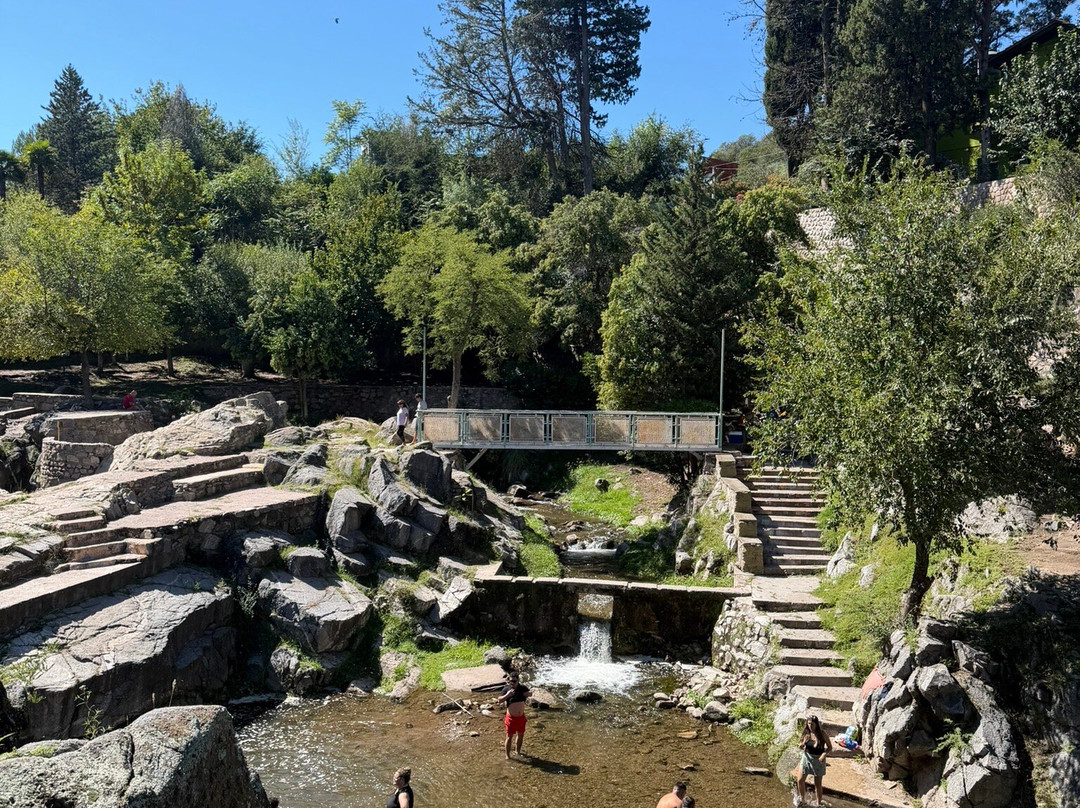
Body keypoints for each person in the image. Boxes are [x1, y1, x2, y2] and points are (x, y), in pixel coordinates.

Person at [797, 713, 832, 807]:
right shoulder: (807, 733)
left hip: (818, 760)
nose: (810, 726)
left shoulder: (822, 734)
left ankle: (818, 803)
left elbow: (830, 747)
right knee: (800, 780)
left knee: (817, 784)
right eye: (808, 723)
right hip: (807, 758)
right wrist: (801, 745)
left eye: (812, 724)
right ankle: (802, 800)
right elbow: (802, 744)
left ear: (816, 724)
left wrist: (824, 754)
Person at [497, 670, 531, 759]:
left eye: (514, 681)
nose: (512, 683)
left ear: (518, 681)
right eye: (510, 681)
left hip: (521, 717)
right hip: (511, 718)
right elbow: (499, 700)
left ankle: (517, 752)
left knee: (521, 735)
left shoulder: (523, 688)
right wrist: (507, 695)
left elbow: (529, 693)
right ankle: (507, 756)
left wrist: (529, 694)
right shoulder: (507, 689)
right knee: (509, 737)